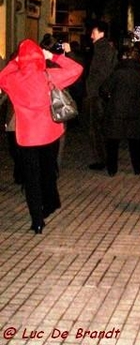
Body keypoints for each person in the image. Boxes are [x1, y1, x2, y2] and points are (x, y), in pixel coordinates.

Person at [0, 39, 83, 234]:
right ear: (39, 56)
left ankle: (37, 221)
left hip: (27, 137)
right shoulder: (49, 76)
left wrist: (16, 61)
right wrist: (52, 56)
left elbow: (1, 77)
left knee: (31, 178)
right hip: (50, 133)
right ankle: (51, 202)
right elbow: (76, 69)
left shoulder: (13, 80)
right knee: (48, 171)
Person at [99, 46, 140, 176]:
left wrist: (109, 96)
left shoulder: (118, 72)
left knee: (113, 142)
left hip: (116, 110)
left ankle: (112, 169)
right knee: (134, 141)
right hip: (134, 110)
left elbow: (104, 89)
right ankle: (137, 168)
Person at [84, 21, 118, 170]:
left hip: (97, 94)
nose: (91, 36)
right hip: (99, 93)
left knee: (96, 127)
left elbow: (101, 73)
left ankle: (100, 159)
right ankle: (103, 157)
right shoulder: (104, 48)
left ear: (101, 33)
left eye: (94, 32)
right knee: (99, 127)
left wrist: (94, 88)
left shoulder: (102, 49)